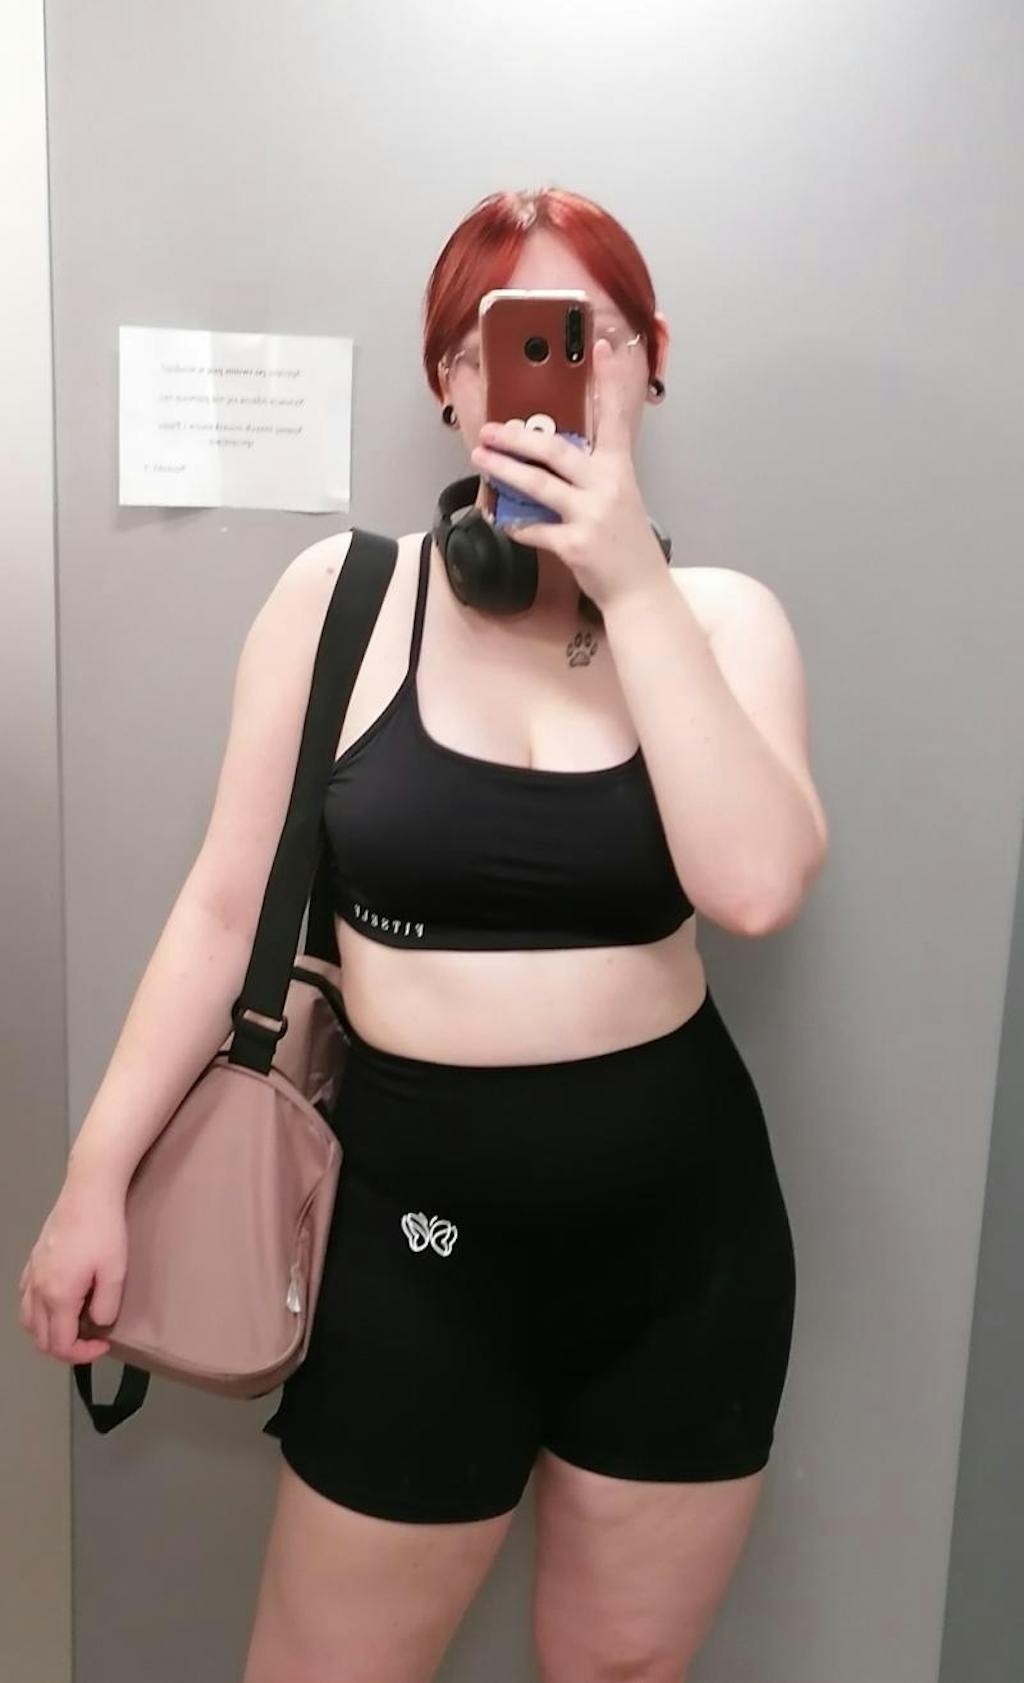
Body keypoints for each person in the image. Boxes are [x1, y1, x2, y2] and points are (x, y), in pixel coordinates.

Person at [19, 186, 828, 1683]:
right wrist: (94, 1180)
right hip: (420, 1247)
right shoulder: (342, 603)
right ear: (450, 386)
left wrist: (628, 577)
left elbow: (758, 885)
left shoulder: (722, 621)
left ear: (652, 360)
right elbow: (222, 907)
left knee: (622, 1672)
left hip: (682, 1251)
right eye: (493, 343)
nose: (540, 375)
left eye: (585, 335)